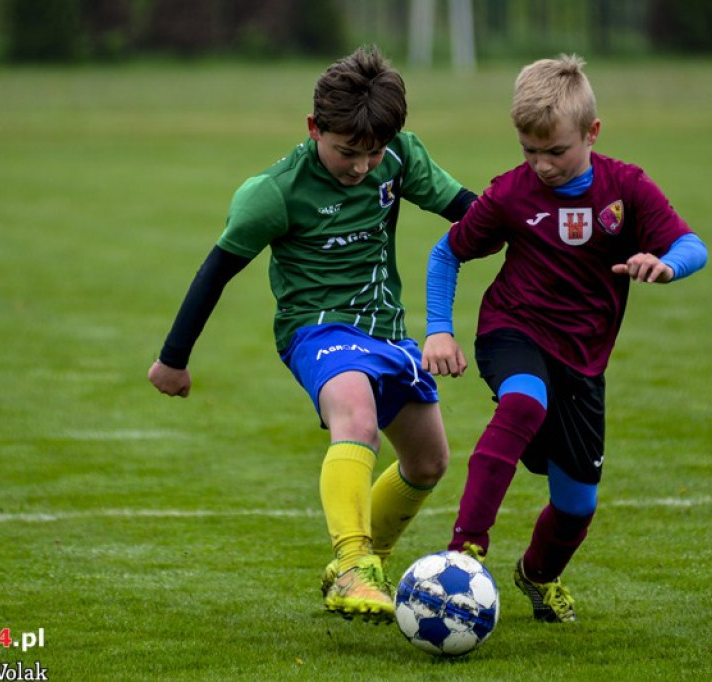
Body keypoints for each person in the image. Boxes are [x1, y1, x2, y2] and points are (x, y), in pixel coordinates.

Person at [148, 45, 477, 623]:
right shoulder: (273, 192)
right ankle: (353, 565)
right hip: (317, 331)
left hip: (387, 333)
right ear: (313, 127)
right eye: (347, 152)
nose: (360, 167)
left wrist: (537, 228)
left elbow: (468, 212)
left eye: (373, 153)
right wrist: (172, 359)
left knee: (428, 462)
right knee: (356, 413)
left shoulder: (398, 158)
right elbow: (216, 272)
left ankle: (364, 563)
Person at [422, 54, 708, 623]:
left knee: (577, 506)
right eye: (529, 151)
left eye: (556, 151)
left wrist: (666, 263)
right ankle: (464, 551)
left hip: (582, 361)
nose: (542, 165)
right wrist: (438, 330)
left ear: (592, 133)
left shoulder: (627, 187)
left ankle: (538, 576)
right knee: (525, 401)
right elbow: (446, 252)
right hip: (513, 329)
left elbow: (692, 245)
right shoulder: (509, 194)